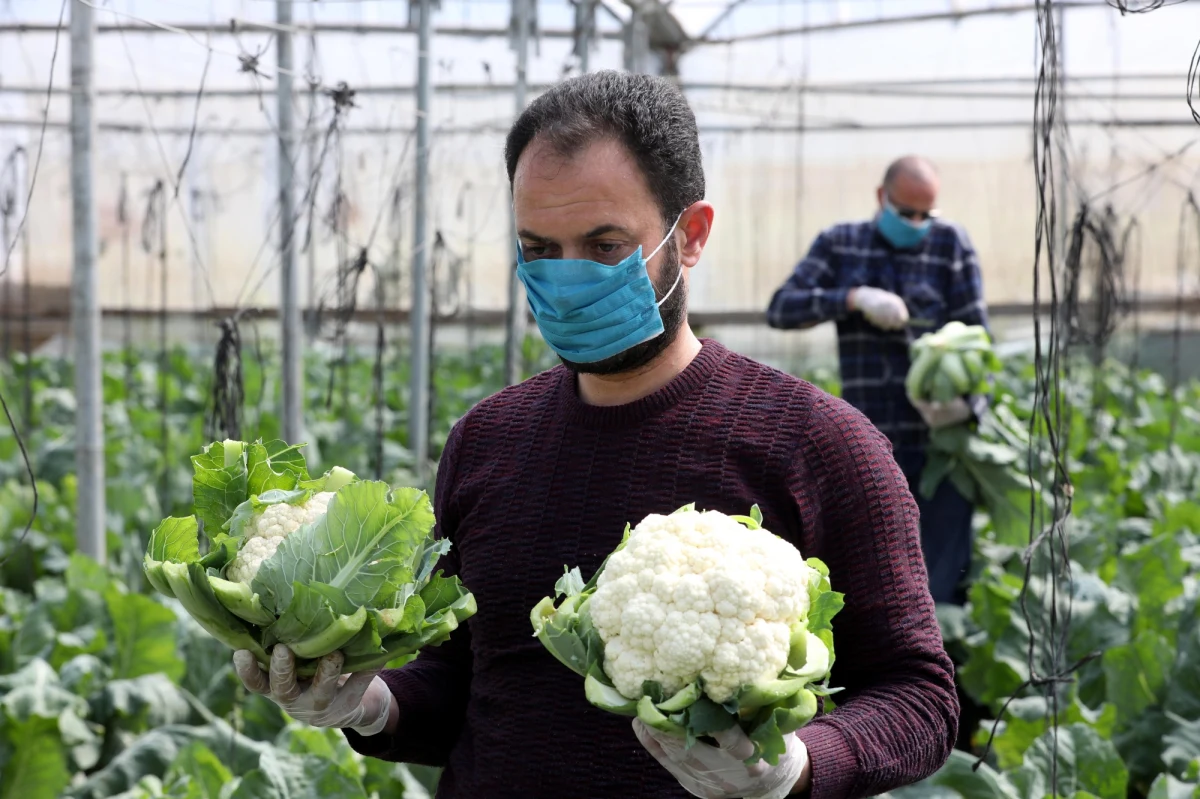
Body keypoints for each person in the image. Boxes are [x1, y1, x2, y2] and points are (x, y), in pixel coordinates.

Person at [233, 73, 957, 799]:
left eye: (605, 245)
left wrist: (800, 766)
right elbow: (460, 683)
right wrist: (370, 704)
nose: (567, 276)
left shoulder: (819, 443)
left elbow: (920, 698)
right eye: (539, 248)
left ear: (692, 235)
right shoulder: (486, 440)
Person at [766, 156, 989, 607]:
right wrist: (852, 298)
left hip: (940, 448)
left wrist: (967, 406)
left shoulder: (951, 245)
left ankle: (941, 672)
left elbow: (978, 338)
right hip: (869, 444)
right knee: (875, 580)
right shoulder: (841, 244)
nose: (916, 223)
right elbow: (781, 308)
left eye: (926, 214)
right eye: (905, 211)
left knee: (942, 587)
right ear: (880, 197)